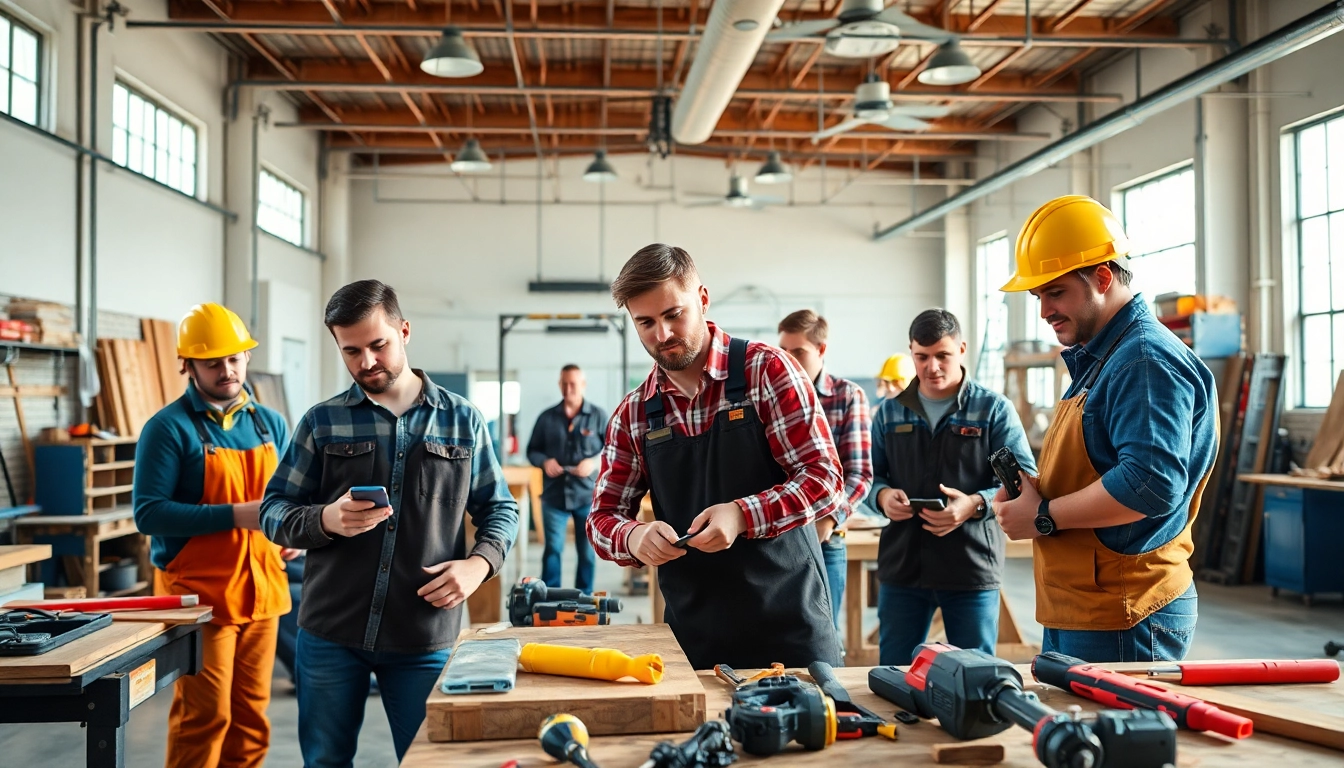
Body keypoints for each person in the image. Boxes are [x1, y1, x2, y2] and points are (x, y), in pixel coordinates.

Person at [261, 280, 519, 765]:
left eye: (378, 345)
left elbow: (500, 509)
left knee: (426, 761)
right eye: (351, 351)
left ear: (403, 331)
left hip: (422, 636)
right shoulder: (323, 422)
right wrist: (326, 518)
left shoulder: (462, 421)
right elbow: (274, 511)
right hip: (330, 633)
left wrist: (478, 566)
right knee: (325, 761)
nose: (366, 363)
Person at [587, 244, 845, 670]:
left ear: (703, 299)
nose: (662, 335)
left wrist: (743, 515)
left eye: (673, 315)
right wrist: (633, 536)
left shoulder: (769, 371)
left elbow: (823, 481)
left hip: (791, 628)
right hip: (695, 639)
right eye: (645, 323)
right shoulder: (634, 413)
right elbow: (602, 518)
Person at [993, 195, 1217, 662]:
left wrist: (1045, 514)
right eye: (1039, 297)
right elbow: (1099, 465)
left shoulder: (1142, 360)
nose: (1044, 311)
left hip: (1126, 612)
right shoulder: (1104, 357)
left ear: (1101, 277)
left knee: (1115, 736)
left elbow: (1150, 485)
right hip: (1088, 604)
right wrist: (1038, 492)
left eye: (1056, 293)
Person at [133, 303, 294, 768]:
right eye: (212, 362)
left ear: (246, 358)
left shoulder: (270, 423)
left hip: (263, 592)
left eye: (234, 359)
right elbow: (149, 513)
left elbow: (286, 501)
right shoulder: (167, 429)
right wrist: (235, 516)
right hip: (200, 597)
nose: (226, 371)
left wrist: (292, 532)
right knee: (205, 717)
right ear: (188, 365)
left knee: (251, 719)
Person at [869, 308, 1036, 666]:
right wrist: (882, 497)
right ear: (911, 352)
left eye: (942, 355)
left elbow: (1023, 481)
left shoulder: (993, 411)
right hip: (903, 566)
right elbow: (869, 476)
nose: (932, 367)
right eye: (922, 357)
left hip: (970, 566)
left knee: (975, 675)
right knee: (893, 673)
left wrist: (975, 504)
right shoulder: (889, 413)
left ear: (961, 349)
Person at [777, 309, 872, 632]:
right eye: (784, 351)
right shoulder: (770, 397)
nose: (788, 359)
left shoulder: (847, 397)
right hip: (776, 540)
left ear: (821, 349)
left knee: (821, 635)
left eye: (798, 351)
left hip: (825, 540)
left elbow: (859, 475)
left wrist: (829, 519)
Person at [526, 364, 608, 593]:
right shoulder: (546, 418)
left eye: (573, 383)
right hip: (554, 496)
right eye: (564, 383)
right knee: (553, 549)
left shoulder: (598, 416)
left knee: (587, 551)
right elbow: (532, 450)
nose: (568, 388)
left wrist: (594, 462)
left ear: (583, 385)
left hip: (587, 496)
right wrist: (544, 461)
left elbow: (613, 450)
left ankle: (584, 600)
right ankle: (550, 599)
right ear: (559, 385)